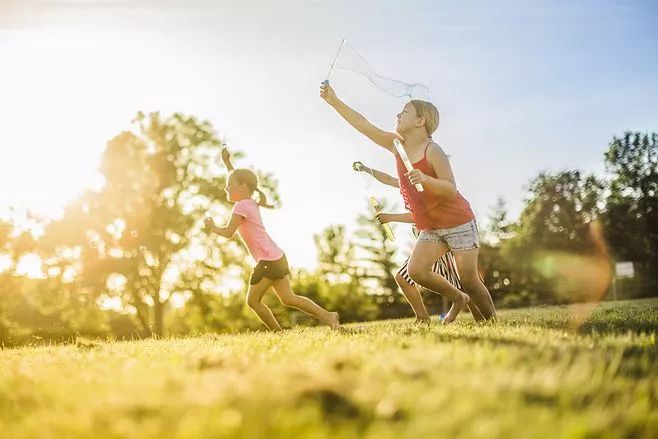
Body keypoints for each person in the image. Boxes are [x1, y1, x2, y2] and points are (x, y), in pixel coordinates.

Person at [321, 82, 496, 324]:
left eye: (404, 112)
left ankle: (491, 322)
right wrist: (334, 101)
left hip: (458, 222)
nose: (397, 115)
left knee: (469, 278)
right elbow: (364, 126)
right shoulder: (396, 145)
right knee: (415, 271)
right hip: (431, 227)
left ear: (420, 121)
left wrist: (426, 179)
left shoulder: (433, 150)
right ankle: (458, 298)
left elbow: (450, 189)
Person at [205, 147, 340, 331]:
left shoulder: (241, 206)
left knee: (253, 301)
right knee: (288, 298)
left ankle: (279, 334)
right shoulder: (249, 201)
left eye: (229, 185)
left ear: (243, 187)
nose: (226, 187)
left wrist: (212, 228)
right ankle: (328, 316)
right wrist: (228, 164)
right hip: (277, 257)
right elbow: (237, 178)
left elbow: (229, 232)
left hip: (268, 261)